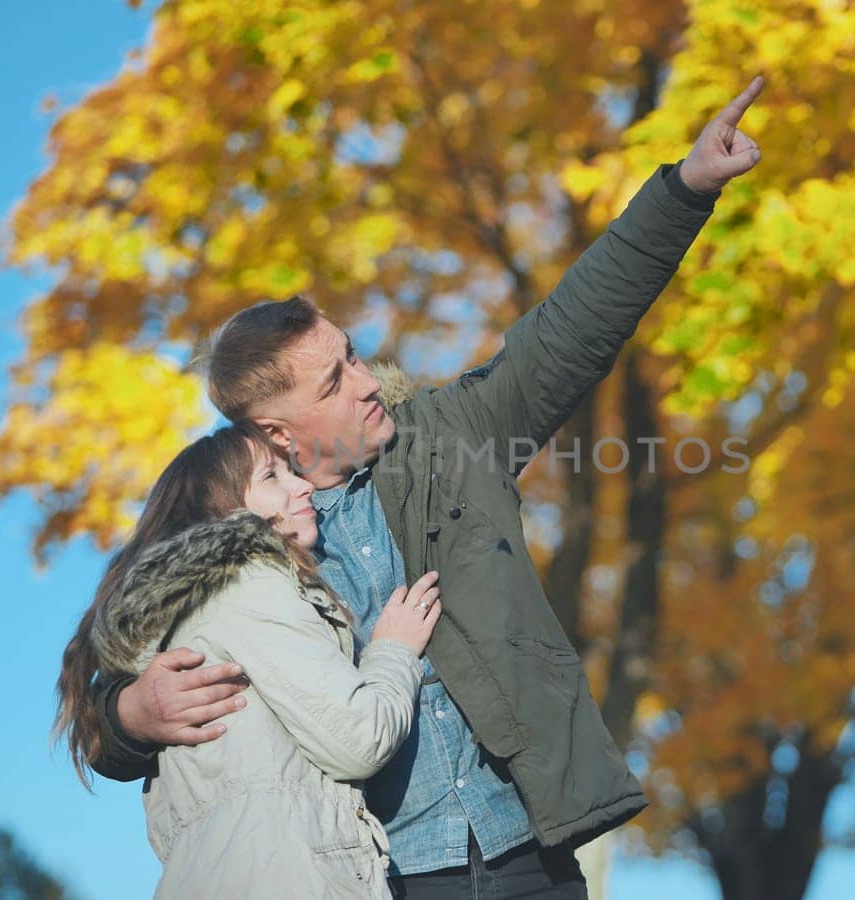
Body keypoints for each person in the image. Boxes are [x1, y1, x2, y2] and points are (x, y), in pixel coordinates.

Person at [83, 75, 767, 896]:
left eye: (356, 354)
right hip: (383, 875)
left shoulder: (453, 438)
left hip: (529, 852)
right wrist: (126, 716)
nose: (368, 381)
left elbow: (570, 330)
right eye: (335, 380)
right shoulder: (239, 538)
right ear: (275, 430)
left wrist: (683, 191)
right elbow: (108, 674)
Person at [53, 424, 443, 898]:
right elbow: (358, 738)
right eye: (272, 477)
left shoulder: (185, 610)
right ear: (224, 510)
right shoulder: (249, 581)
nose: (303, 486)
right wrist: (394, 650)